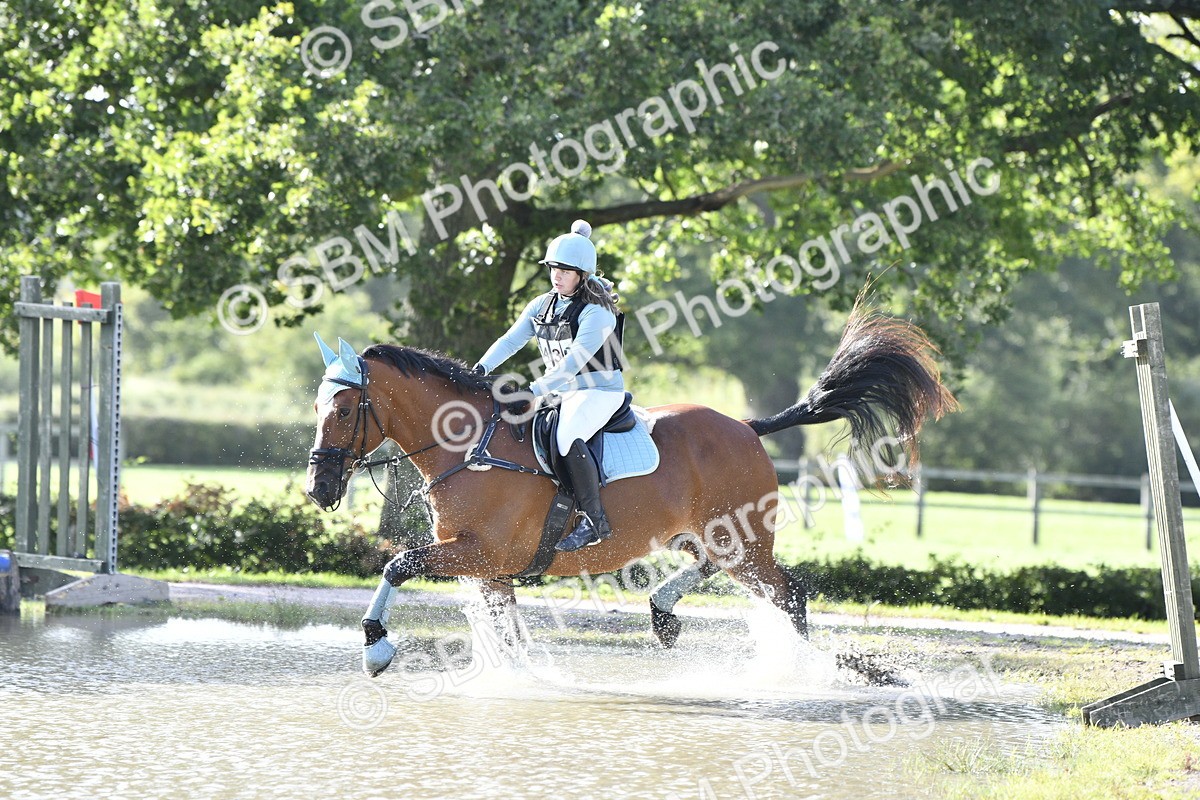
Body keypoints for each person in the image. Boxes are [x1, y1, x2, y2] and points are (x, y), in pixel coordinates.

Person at [472, 219, 626, 552]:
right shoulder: (543, 304)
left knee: (568, 435)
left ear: (582, 275)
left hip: (598, 392)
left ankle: (594, 521)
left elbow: (572, 364)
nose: (557, 275)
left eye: (565, 271)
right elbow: (510, 340)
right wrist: (481, 366)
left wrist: (533, 391)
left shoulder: (597, 313)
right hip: (560, 392)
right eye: (554, 268)